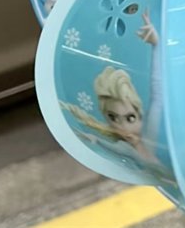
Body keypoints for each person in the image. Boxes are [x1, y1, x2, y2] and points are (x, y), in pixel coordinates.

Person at [65, 10, 163, 165]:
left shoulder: (150, 136)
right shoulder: (125, 148)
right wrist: (94, 139)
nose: (124, 128)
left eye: (130, 118)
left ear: (140, 114)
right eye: (113, 118)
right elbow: (107, 145)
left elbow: (157, 95)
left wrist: (156, 46)